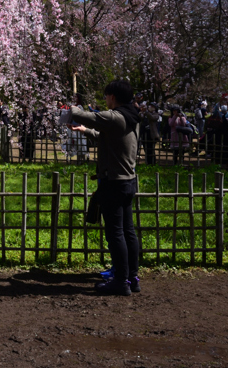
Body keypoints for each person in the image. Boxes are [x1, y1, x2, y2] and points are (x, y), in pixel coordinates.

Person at [69, 79, 141, 296]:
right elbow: (105, 136)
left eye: (106, 95)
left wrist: (71, 108)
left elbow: (86, 115)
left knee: (115, 233)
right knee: (128, 231)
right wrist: (85, 130)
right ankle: (132, 278)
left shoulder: (115, 116)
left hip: (114, 183)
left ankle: (120, 281)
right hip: (128, 181)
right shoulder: (131, 116)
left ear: (113, 96)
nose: (105, 99)